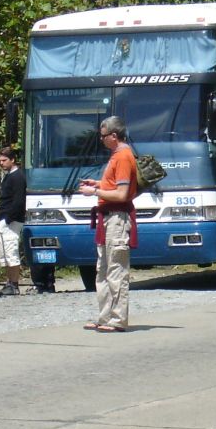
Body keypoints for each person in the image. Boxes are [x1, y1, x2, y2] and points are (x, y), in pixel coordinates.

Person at [78, 116, 138, 332]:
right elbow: (114, 185)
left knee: (116, 269)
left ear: (114, 136)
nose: (101, 140)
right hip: (107, 219)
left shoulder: (123, 156)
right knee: (102, 270)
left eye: (103, 136)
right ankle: (105, 318)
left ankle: (118, 319)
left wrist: (94, 191)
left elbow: (121, 194)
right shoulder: (116, 156)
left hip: (116, 218)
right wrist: (99, 184)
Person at [0, 146, 27, 297]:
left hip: (11, 220)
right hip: (5, 218)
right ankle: (9, 282)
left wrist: (9, 218)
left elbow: (19, 201)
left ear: (12, 160)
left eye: (4, 160)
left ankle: (14, 284)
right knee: (4, 252)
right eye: (0, 160)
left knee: (11, 251)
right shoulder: (9, 176)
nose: (1, 163)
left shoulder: (18, 177)